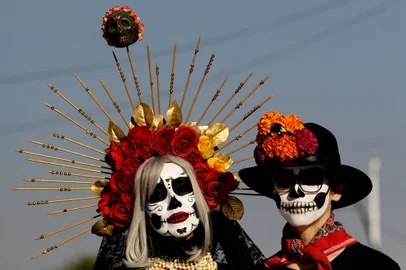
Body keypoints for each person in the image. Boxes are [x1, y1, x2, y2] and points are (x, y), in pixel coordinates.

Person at [238, 111, 400, 270]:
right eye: (284, 180)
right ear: (273, 191)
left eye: (311, 179)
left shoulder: (376, 266)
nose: (296, 191)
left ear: (336, 191)